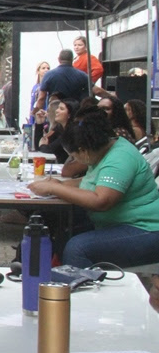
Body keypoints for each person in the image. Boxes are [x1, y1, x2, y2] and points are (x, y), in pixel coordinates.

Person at [28, 106, 159, 269]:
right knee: (62, 234)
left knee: (78, 248)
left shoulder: (120, 158)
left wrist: (54, 189)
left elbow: (100, 201)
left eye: (75, 156)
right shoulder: (106, 149)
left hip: (145, 229)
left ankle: (84, 283)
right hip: (121, 223)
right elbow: (93, 181)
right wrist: (60, 184)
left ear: (83, 151)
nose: (76, 160)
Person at [34, 49, 91, 114]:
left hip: (55, 113)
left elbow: (41, 98)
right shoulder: (82, 75)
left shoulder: (48, 75)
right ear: (72, 59)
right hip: (74, 112)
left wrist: (36, 114)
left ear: (59, 59)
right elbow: (96, 90)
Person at [33, 98, 79, 165]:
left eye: (61, 109)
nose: (57, 111)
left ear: (69, 114)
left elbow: (49, 149)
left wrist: (42, 145)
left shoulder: (72, 131)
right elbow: (39, 147)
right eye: (58, 108)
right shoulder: (59, 128)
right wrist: (39, 124)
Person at [27, 61, 50, 125]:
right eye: (43, 68)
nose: (46, 70)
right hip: (35, 115)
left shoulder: (49, 87)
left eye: (48, 68)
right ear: (38, 71)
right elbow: (32, 104)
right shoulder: (35, 87)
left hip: (45, 115)